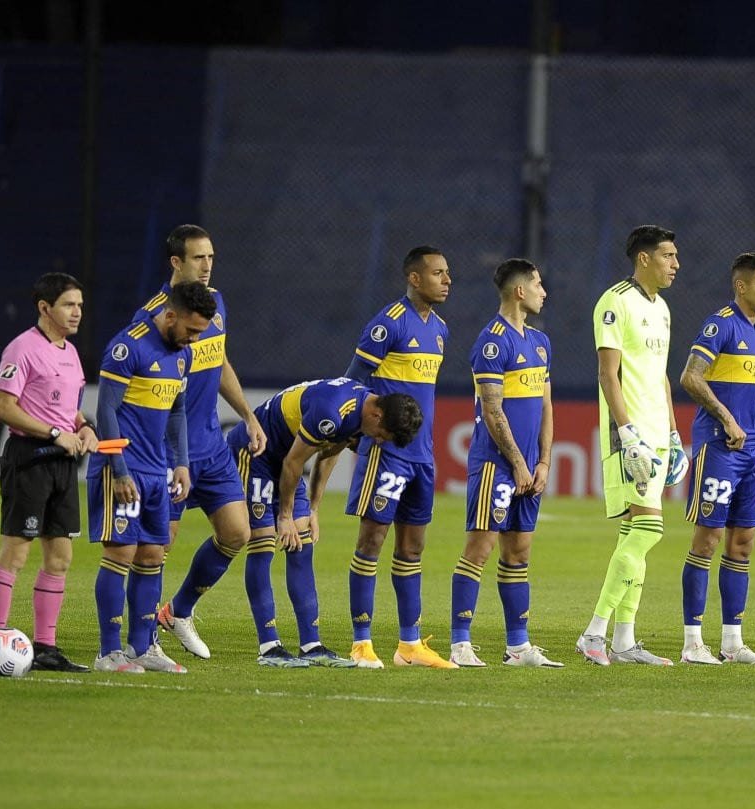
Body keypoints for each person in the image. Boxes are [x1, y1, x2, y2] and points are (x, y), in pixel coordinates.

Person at [131, 226, 266, 661]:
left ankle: (178, 611)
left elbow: (219, 360)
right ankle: (142, 640)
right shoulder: (153, 318)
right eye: (198, 258)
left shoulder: (214, 303)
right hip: (169, 451)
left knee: (237, 533)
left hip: (211, 445)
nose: (207, 266)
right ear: (176, 262)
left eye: (211, 257)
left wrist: (247, 414)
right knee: (157, 547)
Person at [229, 377, 420, 668]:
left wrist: (313, 509)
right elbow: (294, 463)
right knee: (263, 544)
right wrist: (284, 516)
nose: (378, 440)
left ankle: (311, 645)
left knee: (302, 545)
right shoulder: (332, 411)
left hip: (287, 460)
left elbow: (328, 455)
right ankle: (269, 646)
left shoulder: (361, 415)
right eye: (381, 434)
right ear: (377, 415)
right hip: (257, 453)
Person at [332, 245, 453, 669]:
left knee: (413, 548)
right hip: (387, 453)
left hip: (423, 456)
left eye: (447, 273)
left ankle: (409, 646)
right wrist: (356, 434)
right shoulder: (388, 324)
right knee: (371, 541)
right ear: (414, 279)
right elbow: (352, 383)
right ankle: (361, 643)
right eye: (438, 273)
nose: (447, 280)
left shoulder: (440, 329)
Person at [575, 225, 687, 667]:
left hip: (658, 434)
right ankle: (593, 632)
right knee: (648, 531)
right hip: (632, 436)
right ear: (644, 258)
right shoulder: (615, 302)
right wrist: (627, 433)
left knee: (633, 535)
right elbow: (608, 374)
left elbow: (660, 376)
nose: (675, 264)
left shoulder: (663, 308)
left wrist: (674, 434)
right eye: (668, 256)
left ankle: (623, 641)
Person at [88, 281, 214, 673]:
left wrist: (182, 463)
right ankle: (109, 653)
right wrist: (118, 469)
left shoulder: (183, 355)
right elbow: (106, 410)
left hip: (157, 470)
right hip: (122, 468)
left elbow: (177, 411)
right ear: (170, 315)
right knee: (120, 554)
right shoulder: (128, 347)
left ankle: (142, 648)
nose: (194, 339)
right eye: (191, 330)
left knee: (152, 556)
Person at [448, 259, 563, 668]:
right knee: (479, 549)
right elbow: (493, 411)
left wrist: (544, 461)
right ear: (519, 291)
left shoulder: (540, 342)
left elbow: (546, 406)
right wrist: (517, 463)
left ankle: (518, 647)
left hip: (529, 466)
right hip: (496, 465)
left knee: (519, 553)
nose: (543, 292)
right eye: (538, 284)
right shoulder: (492, 343)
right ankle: (460, 643)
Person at [0, 273, 98, 672]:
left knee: (60, 557)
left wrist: (84, 427)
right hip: (30, 458)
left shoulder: (71, 352)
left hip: (61, 463)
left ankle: (45, 648)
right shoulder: (22, 349)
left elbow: (70, 410)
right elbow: (3, 408)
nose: (77, 312)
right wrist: (53, 433)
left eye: (80, 305)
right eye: (69, 305)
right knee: (16, 552)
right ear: (44, 308)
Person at [675, 252, 755, 666]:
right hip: (719, 447)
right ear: (741, 286)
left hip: (754, 451)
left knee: (743, 543)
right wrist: (726, 418)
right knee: (708, 539)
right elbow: (690, 376)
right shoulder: (720, 324)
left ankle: (733, 643)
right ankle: (692, 643)